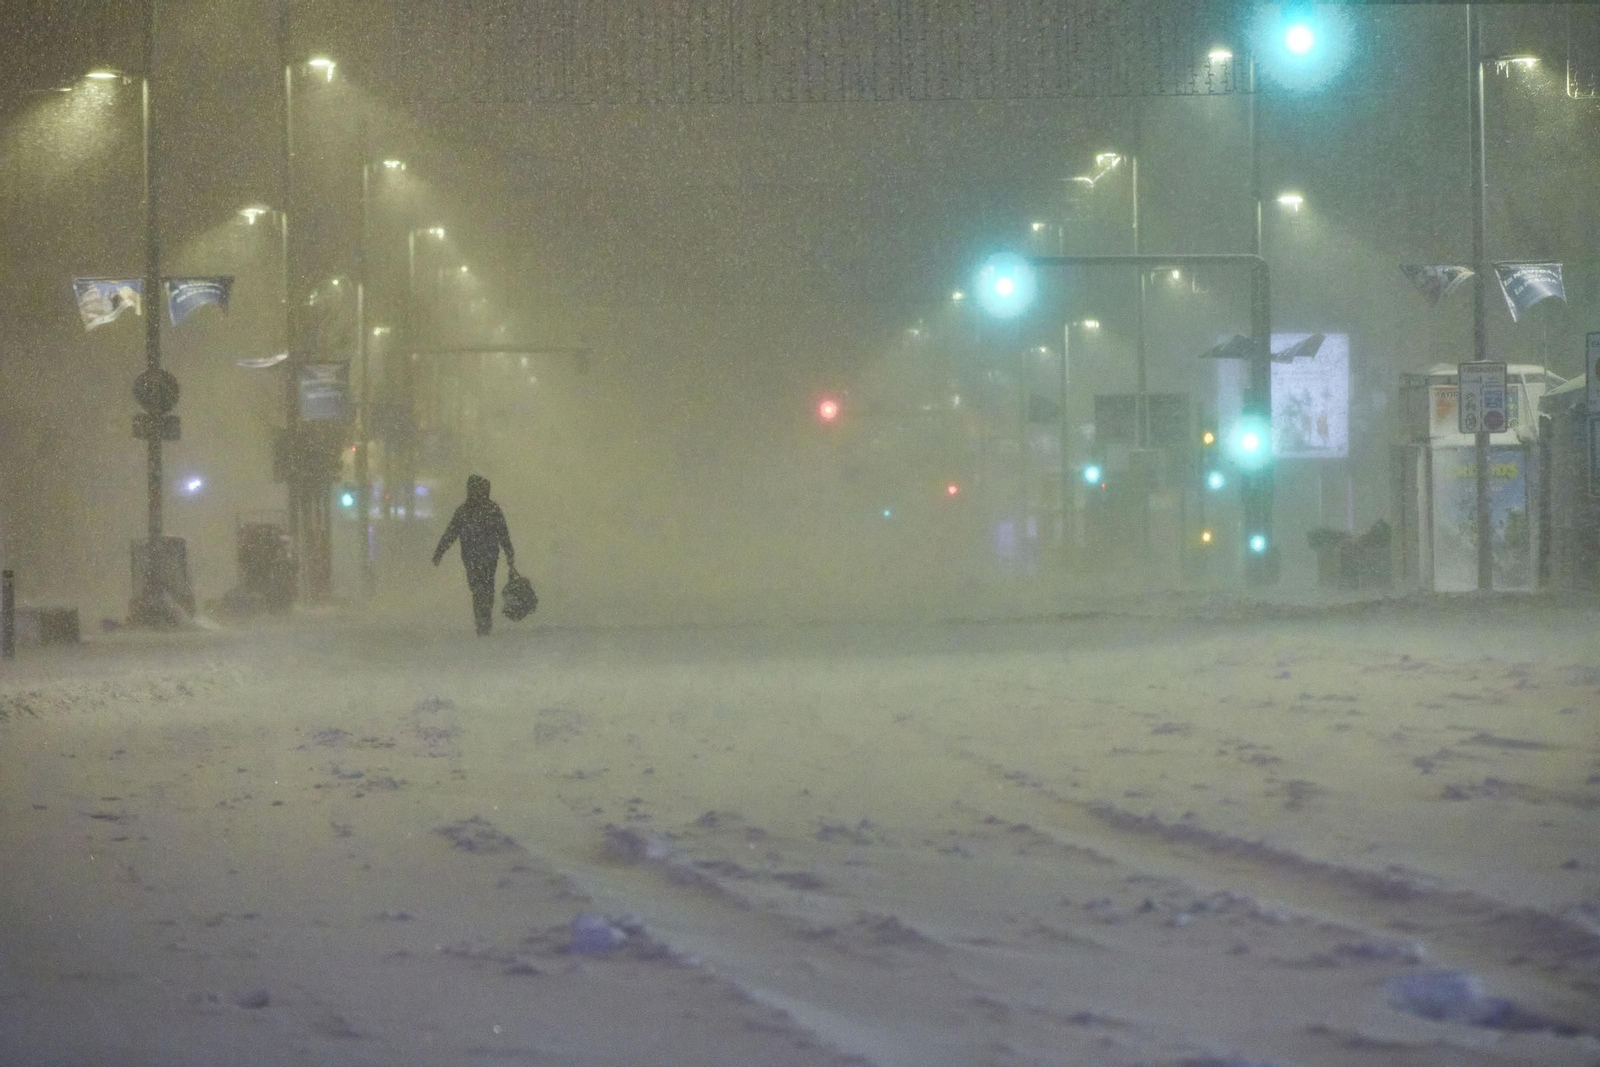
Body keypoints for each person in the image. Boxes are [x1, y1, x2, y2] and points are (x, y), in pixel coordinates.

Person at [432, 474, 515, 636]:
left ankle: (482, 620)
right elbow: (503, 534)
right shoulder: (491, 509)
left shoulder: (465, 511)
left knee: (478, 589)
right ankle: (484, 619)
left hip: (473, 557)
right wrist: (509, 554)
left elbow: (451, 533)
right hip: (487, 556)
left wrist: (440, 552)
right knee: (486, 588)